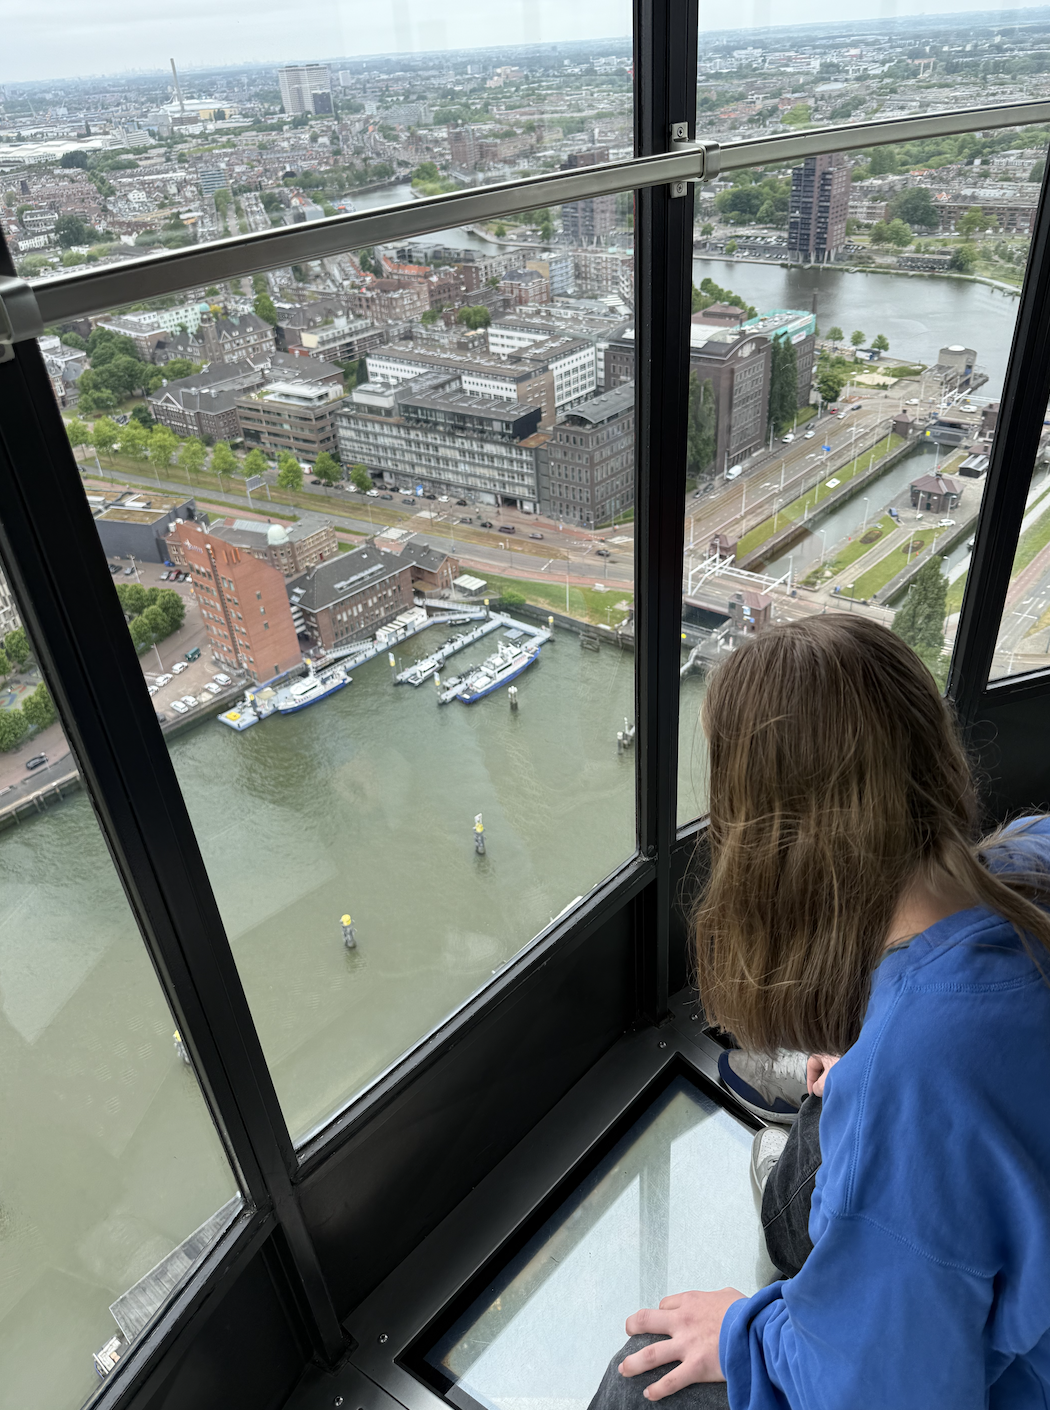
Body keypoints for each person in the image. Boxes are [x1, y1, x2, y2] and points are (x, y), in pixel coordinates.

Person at [588, 615, 1050, 1410]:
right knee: (838, 1103)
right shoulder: (1031, 849)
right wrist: (878, 1049)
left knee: (644, 1371)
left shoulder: (914, 1080)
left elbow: (888, 1391)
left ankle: (808, 1195)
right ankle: (817, 1175)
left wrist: (745, 1331)